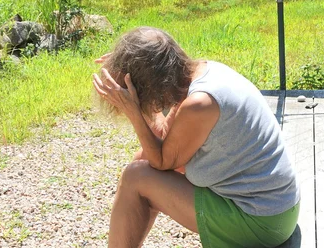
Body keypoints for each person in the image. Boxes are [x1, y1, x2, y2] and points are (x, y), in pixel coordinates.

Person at [93, 26, 300, 248]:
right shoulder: (203, 73)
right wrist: (134, 79)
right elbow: (163, 139)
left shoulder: (200, 103)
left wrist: (135, 112)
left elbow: (162, 162)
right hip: (277, 209)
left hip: (262, 222)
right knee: (141, 159)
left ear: (149, 81)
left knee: (136, 176)